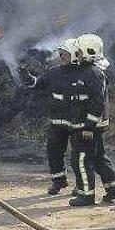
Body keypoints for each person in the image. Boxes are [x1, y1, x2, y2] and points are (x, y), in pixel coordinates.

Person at [66, 33, 115, 207]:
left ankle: (86, 195)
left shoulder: (92, 73)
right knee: (98, 157)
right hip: (90, 124)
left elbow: (97, 103)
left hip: (88, 126)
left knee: (81, 159)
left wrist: (88, 126)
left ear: (89, 52)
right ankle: (114, 189)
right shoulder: (89, 71)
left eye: (80, 52)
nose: (77, 55)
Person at [19, 38, 79, 195]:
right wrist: (26, 75)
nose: (62, 56)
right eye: (61, 53)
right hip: (57, 122)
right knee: (53, 152)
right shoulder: (54, 72)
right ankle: (59, 181)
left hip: (77, 122)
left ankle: (81, 185)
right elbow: (37, 84)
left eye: (65, 53)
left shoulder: (85, 73)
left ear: (75, 54)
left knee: (78, 156)